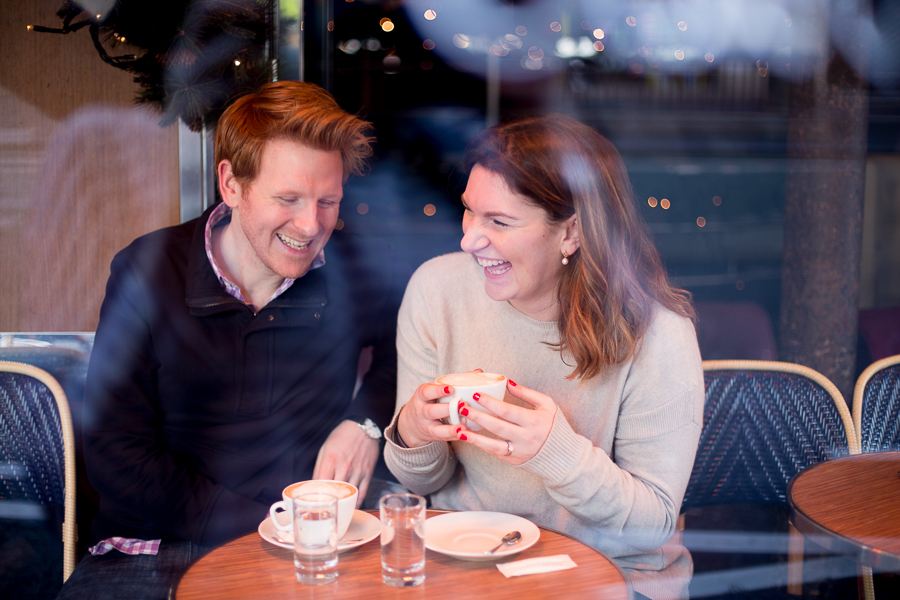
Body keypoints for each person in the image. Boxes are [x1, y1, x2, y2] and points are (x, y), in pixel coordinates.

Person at [57, 81, 407, 599]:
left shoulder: (354, 272)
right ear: (232, 184)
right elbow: (115, 452)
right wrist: (263, 524)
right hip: (157, 547)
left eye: (328, 201)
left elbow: (405, 356)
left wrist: (366, 423)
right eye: (287, 198)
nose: (311, 226)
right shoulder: (147, 271)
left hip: (305, 548)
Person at [384, 114, 703, 599]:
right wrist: (414, 431)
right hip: (467, 571)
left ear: (571, 233)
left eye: (500, 221)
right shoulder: (436, 290)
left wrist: (556, 453)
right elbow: (421, 481)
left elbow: (653, 525)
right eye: (470, 211)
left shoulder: (659, 336)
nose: (469, 239)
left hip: (611, 578)